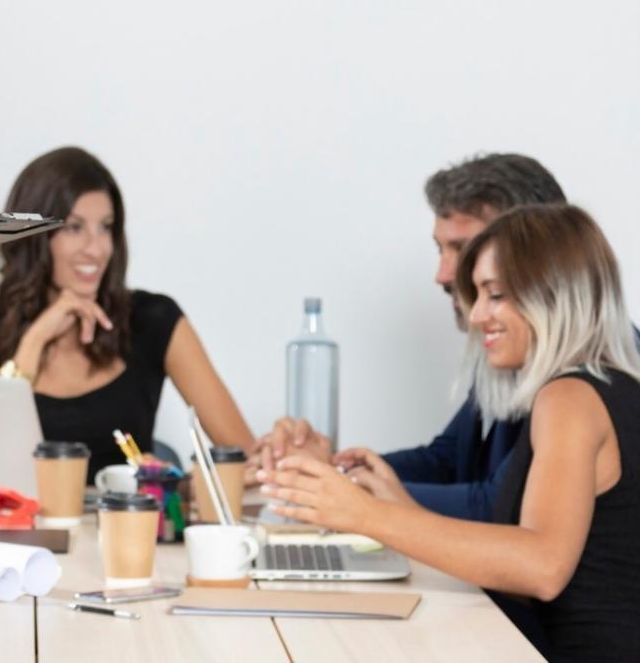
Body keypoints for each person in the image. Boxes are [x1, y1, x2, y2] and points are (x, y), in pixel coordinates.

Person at [263, 204, 640, 663]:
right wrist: (395, 505)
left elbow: (542, 568)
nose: (478, 315)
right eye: (476, 295)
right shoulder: (608, 386)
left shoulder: (568, 398)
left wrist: (365, 515)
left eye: (495, 294)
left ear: (554, 292)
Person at [255, 152, 565, 519]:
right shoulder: (507, 349)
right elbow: (448, 461)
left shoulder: (584, 376)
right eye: (441, 249)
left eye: (463, 250)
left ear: (540, 252)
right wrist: (335, 471)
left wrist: (352, 496)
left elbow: (502, 506)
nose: (444, 274)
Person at [0, 147, 254, 477]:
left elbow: (247, 461)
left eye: (106, 227)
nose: (97, 249)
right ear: (33, 237)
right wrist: (37, 337)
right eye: (74, 227)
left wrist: (178, 487)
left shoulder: (155, 319)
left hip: (130, 526)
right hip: (26, 527)